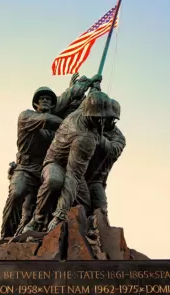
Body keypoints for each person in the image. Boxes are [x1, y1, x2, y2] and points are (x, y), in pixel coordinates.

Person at [0, 75, 97, 238]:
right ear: (36, 103)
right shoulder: (26, 116)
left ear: (53, 104)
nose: (45, 101)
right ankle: (6, 236)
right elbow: (47, 119)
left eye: (48, 99)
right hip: (25, 169)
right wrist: (71, 122)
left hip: (46, 167)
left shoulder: (58, 126)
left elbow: (76, 110)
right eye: (41, 98)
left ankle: (44, 228)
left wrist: (86, 89)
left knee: (57, 190)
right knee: (17, 193)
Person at [23, 89, 119, 233]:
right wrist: (60, 215)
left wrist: (94, 89)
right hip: (55, 163)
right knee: (54, 180)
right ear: (96, 116)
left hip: (76, 171)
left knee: (86, 206)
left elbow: (74, 175)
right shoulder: (85, 138)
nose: (105, 121)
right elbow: (72, 176)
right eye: (103, 117)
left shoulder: (84, 114)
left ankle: (84, 231)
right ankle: (37, 219)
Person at [85, 99, 126, 217]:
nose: (102, 118)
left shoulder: (119, 137)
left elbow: (114, 150)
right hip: (78, 173)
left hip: (96, 179)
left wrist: (99, 136)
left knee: (101, 208)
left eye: (106, 117)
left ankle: (96, 231)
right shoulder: (89, 124)